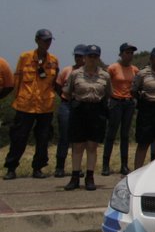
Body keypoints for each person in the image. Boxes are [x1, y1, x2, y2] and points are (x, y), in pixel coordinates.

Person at [4, 29, 60, 180]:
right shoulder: (25, 57)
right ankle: (11, 167)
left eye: (49, 41)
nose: (47, 44)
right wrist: (16, 100)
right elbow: (17, 80)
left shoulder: (53, 60)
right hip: (25, 105)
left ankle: (38, 168)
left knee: (42, 139)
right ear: (37, 40)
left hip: (45, 106)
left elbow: (55, 83)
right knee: (19, 138)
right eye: (44, 40)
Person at [62, 45, 110, 191]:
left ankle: (90, 177)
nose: (92, 59)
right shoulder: (75, 74)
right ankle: (75, 177)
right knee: (77, 145)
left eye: (95, 56)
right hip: (79, 110)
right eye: (90, 56)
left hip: (96, 110)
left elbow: (108, 93)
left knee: (92, 146)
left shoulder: (105, 75)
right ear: (84, 57)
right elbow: (67, 92)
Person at [102, 42, 138, 176]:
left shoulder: (134, 69)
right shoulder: (113, 68)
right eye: (127, 52)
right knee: (111, 134)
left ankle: (124, 165)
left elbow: (136, 85)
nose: (129, 55)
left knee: (125, 135)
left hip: (128, 103)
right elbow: (105, 82)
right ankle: (105, 165)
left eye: (131, 53)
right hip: (115, 101)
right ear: (121, 54)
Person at [53, 45, 86, 177]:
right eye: (76, 56)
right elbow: (57, 85)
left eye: (81, 56)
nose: (78, 58)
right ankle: (59, 167)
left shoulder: (88, 72)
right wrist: (65, 96)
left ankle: (76, 168)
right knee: (64, 136)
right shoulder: (67, 70)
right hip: (67, 104)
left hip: (82, 106)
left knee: (79, 139)